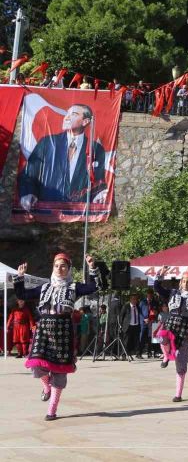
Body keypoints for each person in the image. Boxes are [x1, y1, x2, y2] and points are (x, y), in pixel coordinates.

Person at [13, 253, 101, 421]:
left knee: (59, 371)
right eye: (56, 266)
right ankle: (46, 386)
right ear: (52, 267)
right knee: (36, 365)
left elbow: (94, 287)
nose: (60, 269)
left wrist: (92, 268)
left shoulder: (74, 287)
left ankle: (52, 408)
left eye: (63, 266)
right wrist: (20, 277)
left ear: (68, 269)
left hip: (63, 331)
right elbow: (22, 295)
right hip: (44, 330)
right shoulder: (45, 287)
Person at [18, 104, 108, 212]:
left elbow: (99, 181)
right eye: (66, 114)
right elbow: (29, 173)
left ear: (85, 121)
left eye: (73, 114)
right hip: (46, 211)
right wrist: (28, 193)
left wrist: (99, 194)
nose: (67, 117)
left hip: (79, 213)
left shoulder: (96, 149)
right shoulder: (47, 143)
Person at [153, 267, 188, 402]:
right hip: (171, 324)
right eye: (184, 281)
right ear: (180, 282)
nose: (186, 284)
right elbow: (158, 289)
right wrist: (159, 277)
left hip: (184, 329)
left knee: (181, 364)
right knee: (162, 336)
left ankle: (178, 394)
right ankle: (166, 356)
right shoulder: (172, 293)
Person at [120, 294, 142, 359]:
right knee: (126, 341)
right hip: (128, 326)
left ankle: (138, 354)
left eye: (136, 299)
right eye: (133, 299)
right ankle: (123, 354)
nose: (135, 300)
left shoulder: (138, 306)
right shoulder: (126, 306)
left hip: (136, 325)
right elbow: (121, 316)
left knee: (137, 341)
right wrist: (121, 325)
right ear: (130, 299)